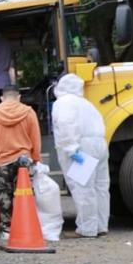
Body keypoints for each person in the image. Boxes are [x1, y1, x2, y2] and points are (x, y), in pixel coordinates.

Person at [0, 84, 42, 241]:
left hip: (2, 160)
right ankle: (26, 225)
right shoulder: (28, 112)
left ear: (2, 98)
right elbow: (35, 138)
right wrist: (35, 158)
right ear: (19, 97)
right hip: (24, 160)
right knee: (25, 195)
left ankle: (7, 229)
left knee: (4, 196)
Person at [52, 74, 110, 238]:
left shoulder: (63, 103)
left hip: (81, 147)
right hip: (99, 145)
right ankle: (101, 225)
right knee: (100, 187)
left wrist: (71, 149)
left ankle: (87, 229)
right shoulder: (87, 104)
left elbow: (66, 124)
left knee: (83, 188)